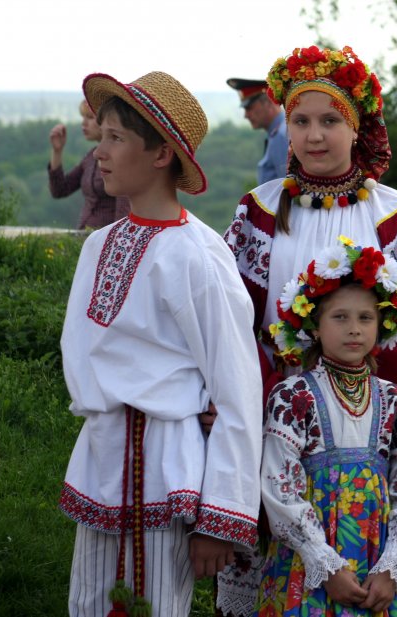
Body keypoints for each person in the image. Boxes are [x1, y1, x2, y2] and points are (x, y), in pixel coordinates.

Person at [219, 45, 397, 616]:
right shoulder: (258, 212)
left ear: (357, 125)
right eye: (300, 121)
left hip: (369, 438)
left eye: (330, 121)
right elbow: (235, 326)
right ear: (285, 128)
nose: (315, 136)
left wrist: (384, 434)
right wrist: (264, 413)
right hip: (279, 427)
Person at [58, 71, 264, 616]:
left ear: (160, 155)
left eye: (115, 138)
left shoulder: (197, 254)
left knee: (157, 606)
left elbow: (237, 386)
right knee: (89, 601)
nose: (99, 152)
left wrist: (221, 514)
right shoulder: (98, 246)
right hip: (103, 456)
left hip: (168, 463)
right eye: (100, 136)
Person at [255, 238, 397, 615]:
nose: (354, 329)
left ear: (382, 326)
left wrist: (391, 567)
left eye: (365, 318)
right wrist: (323, 563)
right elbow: (279, 485)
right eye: (340, 317)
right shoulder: (293, 397)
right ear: (314, 326)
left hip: (375, 563)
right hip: (307, 566)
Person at [48, 99, 130, 228]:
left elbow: (123, 216)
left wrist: (112, 244)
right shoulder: (90, 157)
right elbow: (59, 190)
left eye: (90, 117)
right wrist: (57, 152)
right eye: (83, 117)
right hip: (84, 240)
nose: (84, 123)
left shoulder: (118, 160)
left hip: (105, 241)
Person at [227, 77, 288, 184]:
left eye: (249, 108)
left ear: (269, 102)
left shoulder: (282, 136)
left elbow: (289, 188)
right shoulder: (278, 132)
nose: (246, 115)